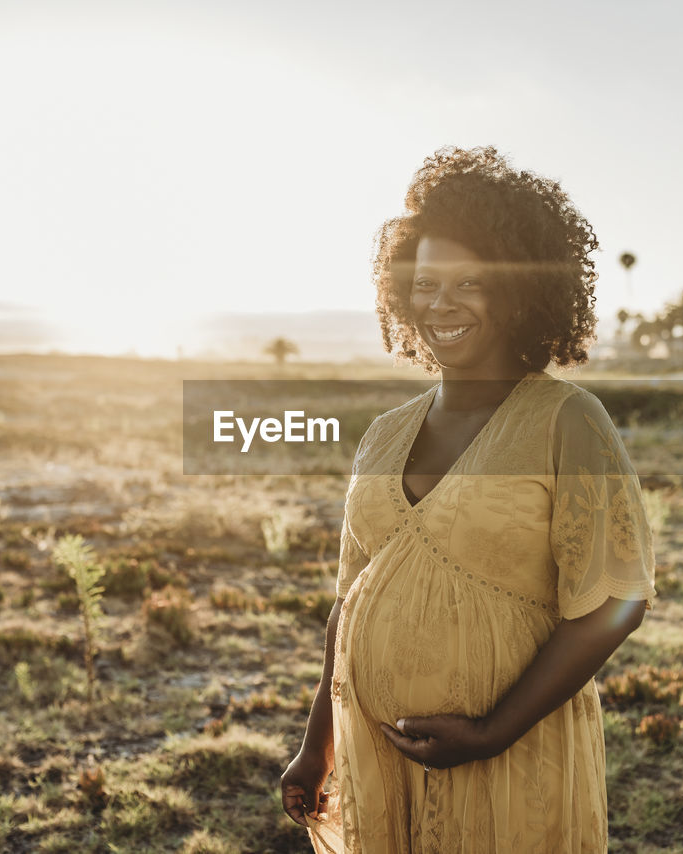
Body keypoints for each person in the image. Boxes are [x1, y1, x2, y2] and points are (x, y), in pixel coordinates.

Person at [280, 146, 657, 852]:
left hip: (515, 758)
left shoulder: (567, 422)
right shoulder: (385, 435)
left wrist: (490, 732)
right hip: (381, 760)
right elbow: (350, 602)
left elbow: (613, 605)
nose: (440, 303)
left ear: (518, 292)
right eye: (424, 283)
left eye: (470, 283)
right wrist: (317, 746)